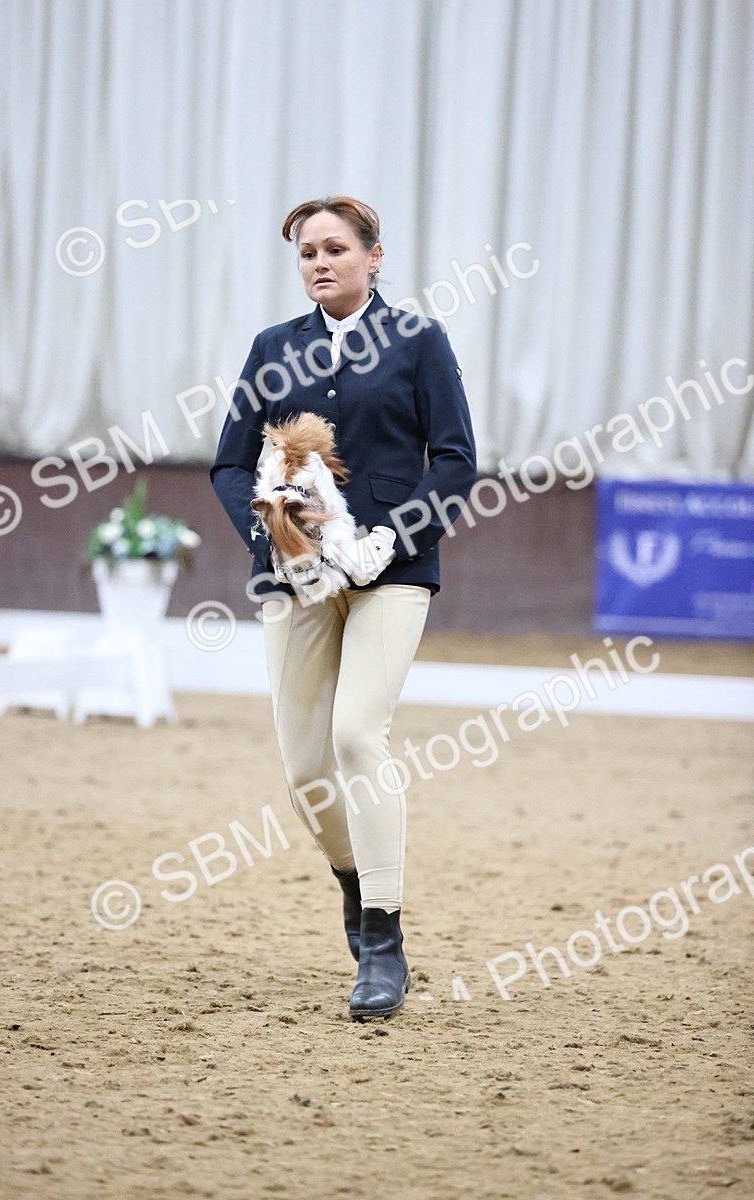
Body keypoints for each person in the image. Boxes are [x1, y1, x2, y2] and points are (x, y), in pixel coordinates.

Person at [210, 195, 476, 1019]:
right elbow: (226, 466)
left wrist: (389, 541)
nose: (319, 262)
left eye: (334, 249)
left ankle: (384, 942)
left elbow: (457, 460)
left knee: (358, 734)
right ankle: (357, 886)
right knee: (305, 772)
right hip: (298, 577)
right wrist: (278, 542)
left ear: (374, 256)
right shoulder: (271, 348)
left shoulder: (419, 341)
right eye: (305, 253)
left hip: (390, 570)